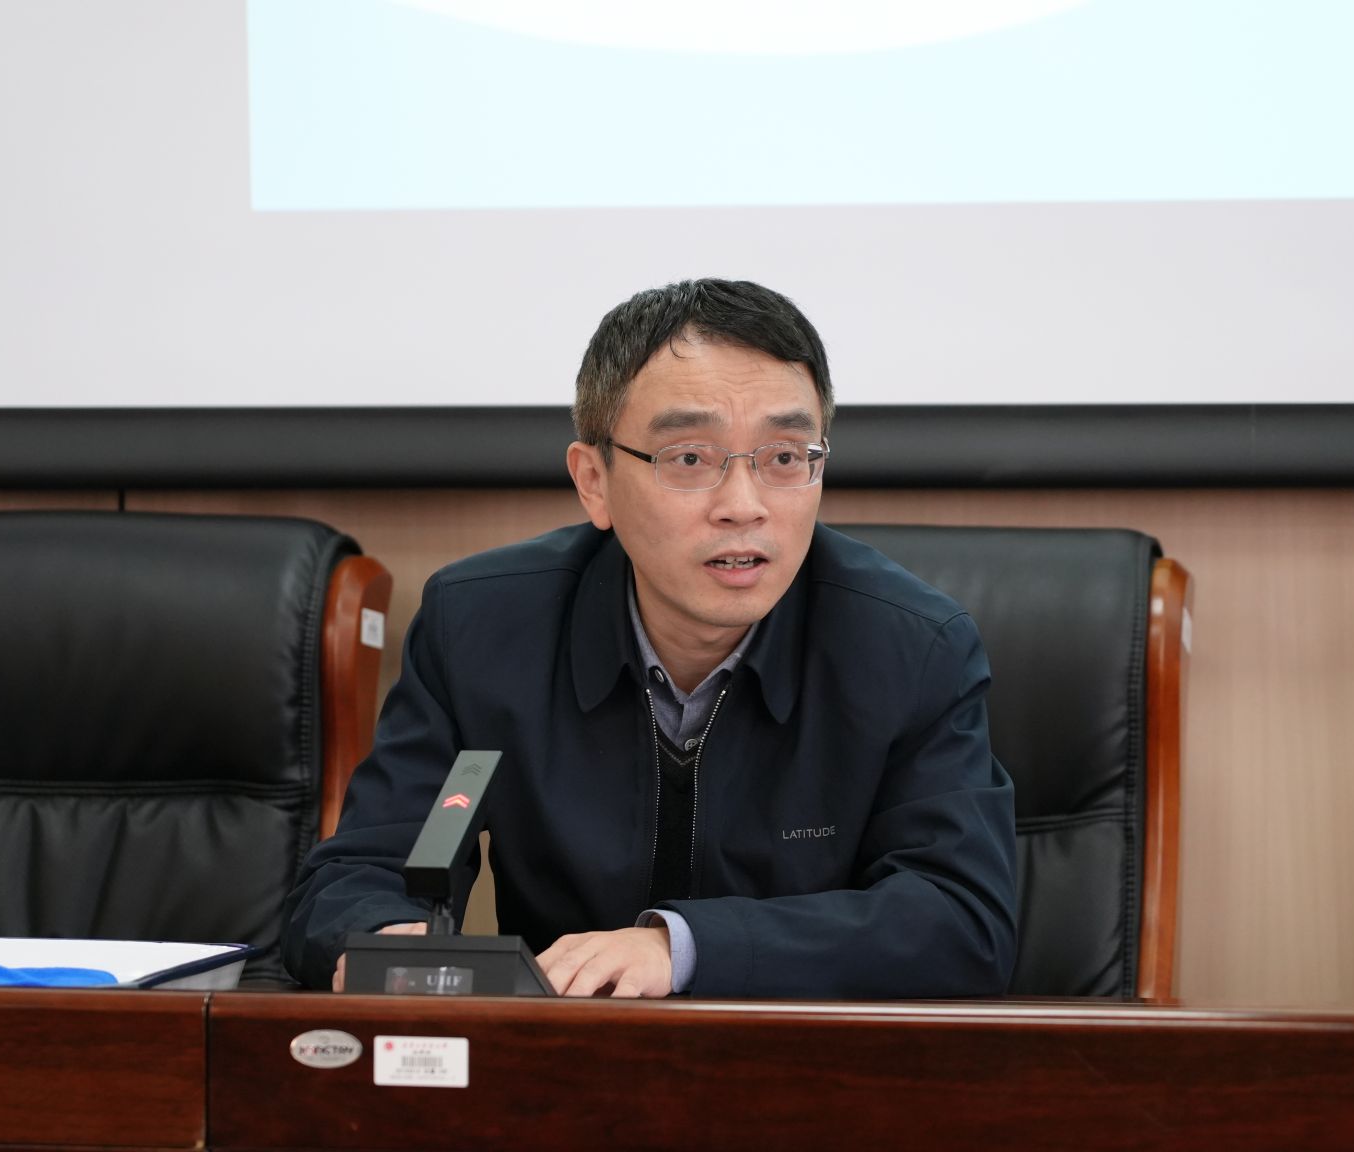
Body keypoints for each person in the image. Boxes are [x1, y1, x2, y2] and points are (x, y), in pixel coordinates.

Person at [280, 279, 1016, 998]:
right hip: (565, 1058)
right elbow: (358, 875)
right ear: (594, 481)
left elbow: (961, 920)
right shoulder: (481, 628)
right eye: (689, 458)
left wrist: (683, 948)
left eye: (785, 458)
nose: (744, 506)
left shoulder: (912, 647)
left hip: (808, 1061)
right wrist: (385, 940)